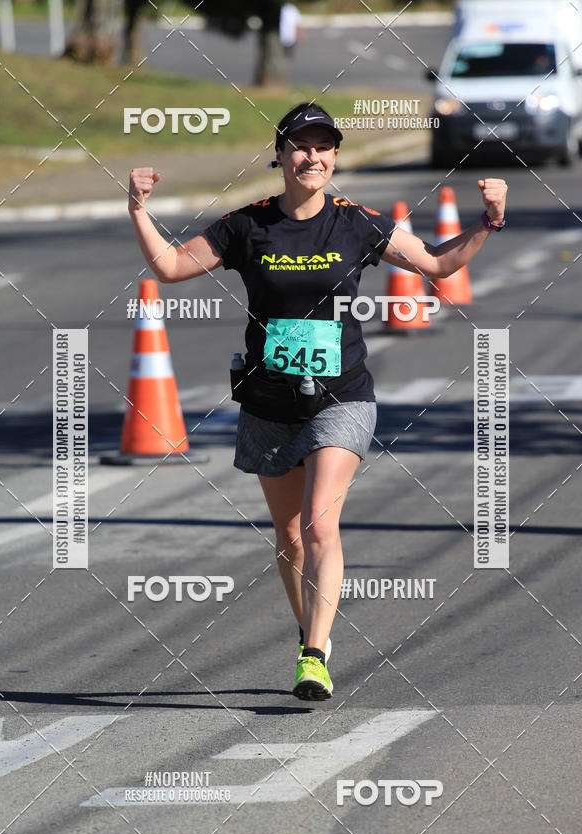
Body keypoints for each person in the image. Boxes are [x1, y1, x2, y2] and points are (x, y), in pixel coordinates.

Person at [128, 102, 508, 702]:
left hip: (342, 396)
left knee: (318, 522)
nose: (313, 156)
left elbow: (438, 263)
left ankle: (312, 655)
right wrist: (138, 210)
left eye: (324, 146)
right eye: (301, 146)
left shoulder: (355, 224)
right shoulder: (246, 226)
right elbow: (172, 267)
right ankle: (313, 632)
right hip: (268, 401)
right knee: (289, 537)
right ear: (280, 155)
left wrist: (489, 221)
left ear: (334, 157)